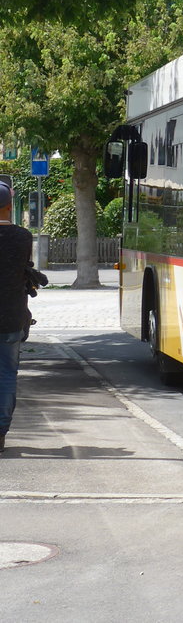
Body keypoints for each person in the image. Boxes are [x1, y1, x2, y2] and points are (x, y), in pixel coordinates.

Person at [0, 182, 38, 453]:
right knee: (6, 373)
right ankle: (0, 433)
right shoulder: (23, 237)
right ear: (10, 207)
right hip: (11, 315)